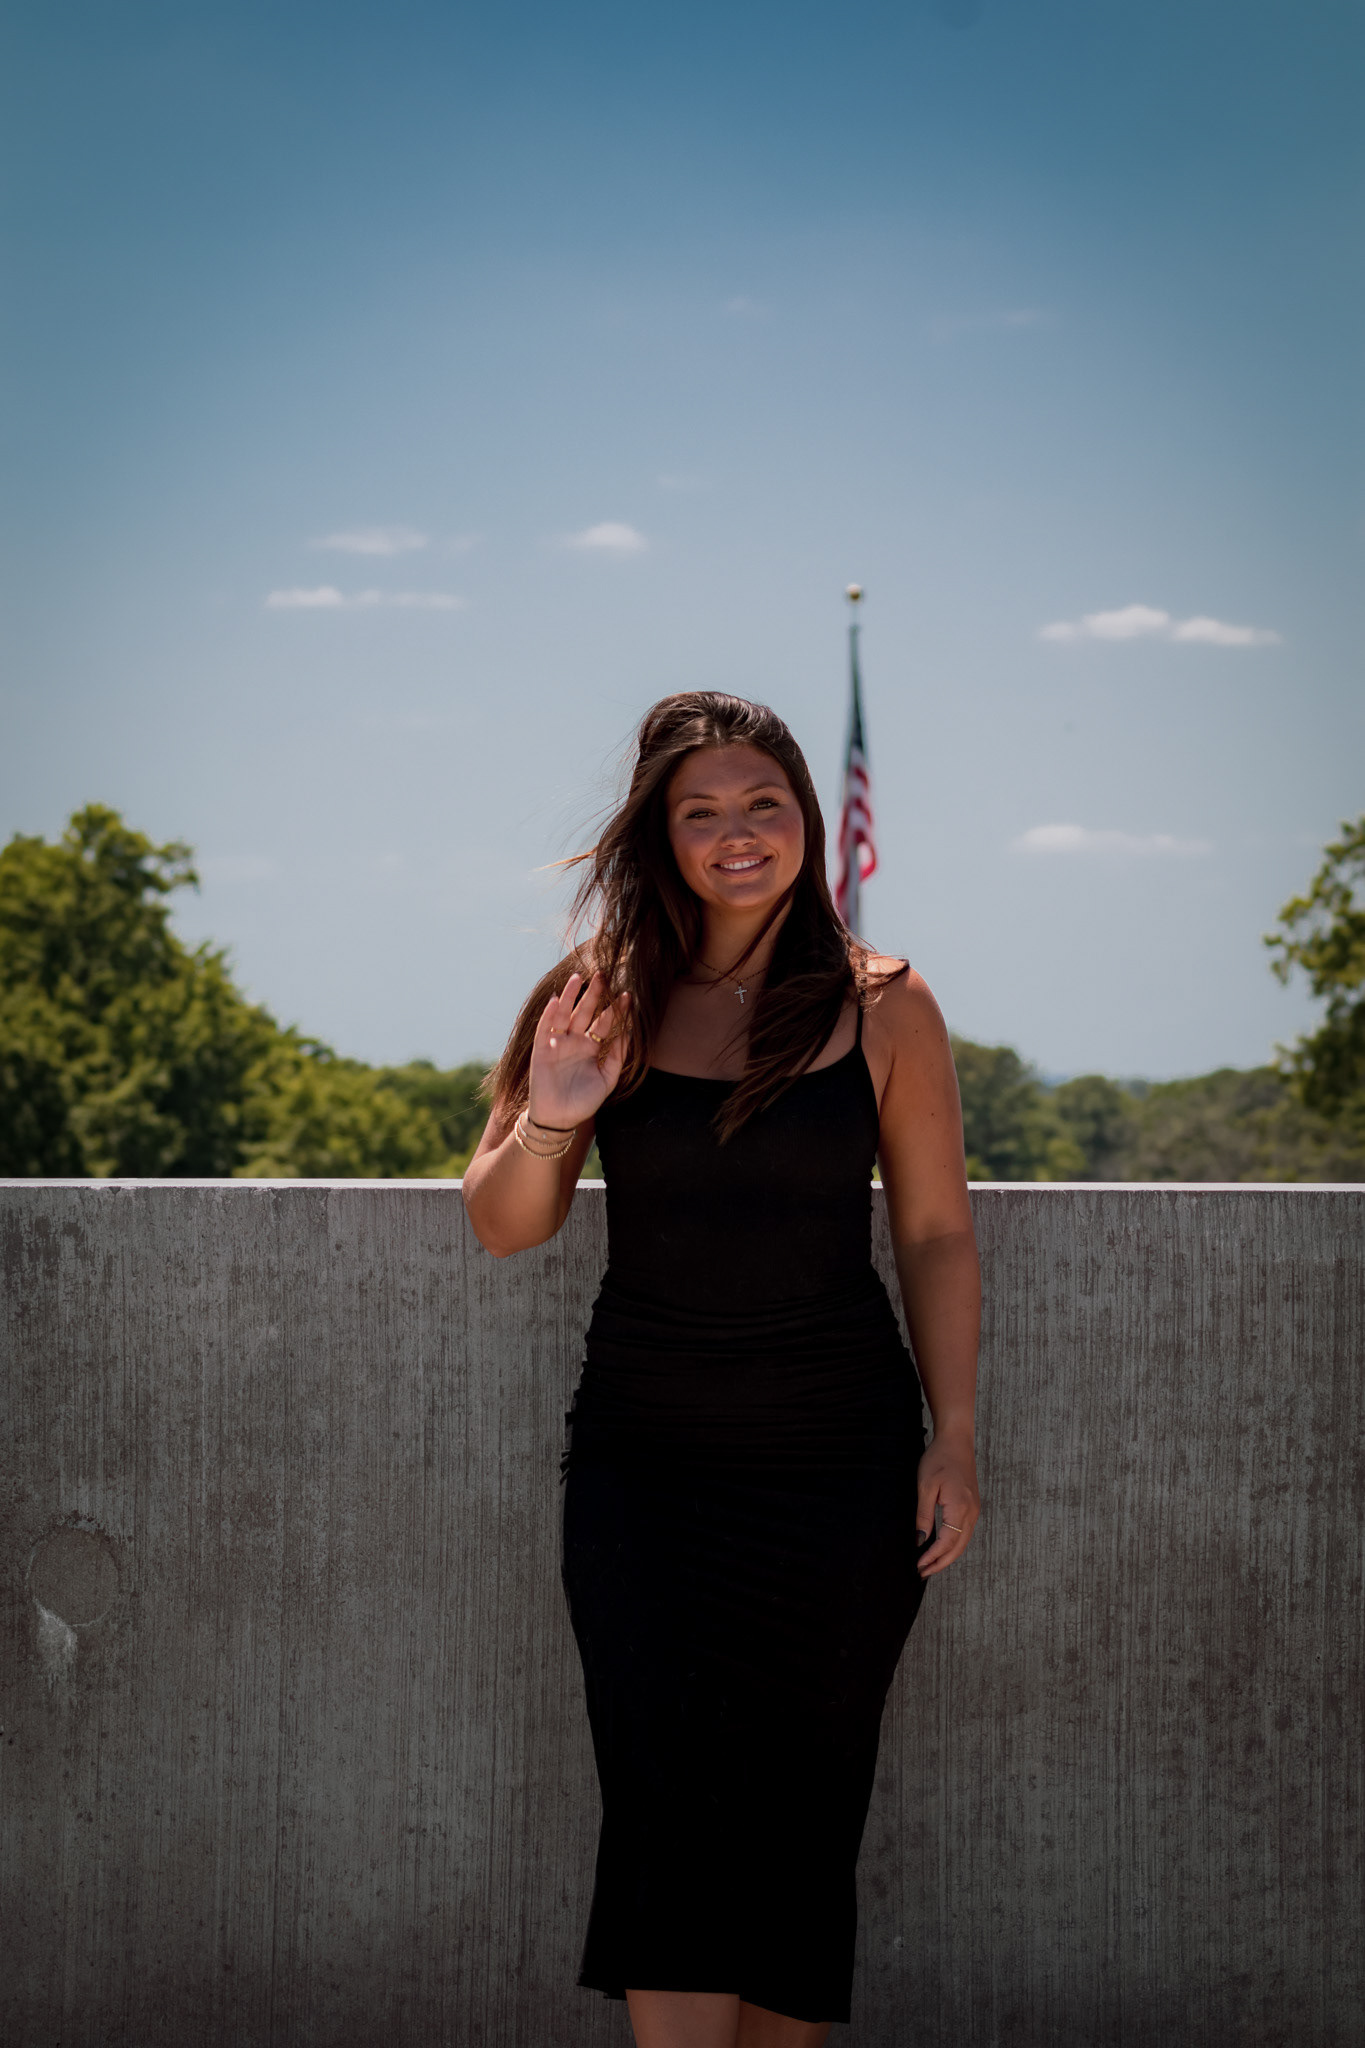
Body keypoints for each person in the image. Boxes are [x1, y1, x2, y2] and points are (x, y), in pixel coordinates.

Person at [462, 692, 981, 2048]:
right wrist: (556, 1116)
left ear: (806, 817)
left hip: (840, 1475)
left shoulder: (884, 1004)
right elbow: (503, 1225)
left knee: (804, 1813)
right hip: (644, 1473)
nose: (735, 833)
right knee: (665, 1805)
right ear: (661, 835)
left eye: (762, 804)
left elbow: (933, 1230)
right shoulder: (597, 997)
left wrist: (955, 1433)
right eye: (700, 812)